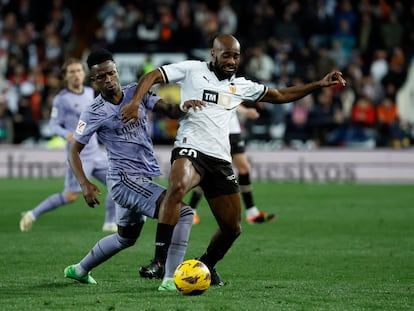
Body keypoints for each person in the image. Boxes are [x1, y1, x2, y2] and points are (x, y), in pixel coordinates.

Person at [121, 34, 346, 285]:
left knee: (232, 228)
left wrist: (318, 84)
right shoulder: (192, 69)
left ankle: (205, 265)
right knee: (177, 187)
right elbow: (151, 76)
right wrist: (135, 102)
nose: (231, 60)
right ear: (213, 54)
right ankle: (159, 261)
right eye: (226, 54)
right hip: (190, 147)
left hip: (219, 159)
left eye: (236, 55)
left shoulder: (241, 86)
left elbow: (280, 95)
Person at [63, 48, 201, 291]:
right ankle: (170, 280)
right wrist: (84, 184)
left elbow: (167, 108)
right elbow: (74, 150)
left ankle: (79, 270)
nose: (108, 80)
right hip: (124, 179)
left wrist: (183, 106)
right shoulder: (93, 112)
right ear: (93, 80)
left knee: (125, 238)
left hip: (137, 178)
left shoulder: (135, 92)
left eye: (111, 73)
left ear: (117, 71)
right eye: (102, 77)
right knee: (183, 212)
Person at [19, 58, 117, 233]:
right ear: (65, 76)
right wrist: (67, 135)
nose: (76, 75)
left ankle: (110, 223)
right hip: (79, 156)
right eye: (71, 72)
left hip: (96, 152)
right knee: (70, 196)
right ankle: (32, 214)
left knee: (117, 183)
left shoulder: (90, 92)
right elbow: (54, 124)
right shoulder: (61, 99)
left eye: (79, 71)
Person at [190, 105, 276, 225]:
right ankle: (191, 210)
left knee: (244, 168)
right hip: (219, 130)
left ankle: (252, 212)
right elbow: (225, 99)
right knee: (211, 171)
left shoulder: (230, 86)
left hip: (233, 131)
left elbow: (231, 98)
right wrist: (246, 110)